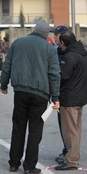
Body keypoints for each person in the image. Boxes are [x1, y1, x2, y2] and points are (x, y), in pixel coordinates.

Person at [0, 20, 60, 174]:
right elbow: (54, 74)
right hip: (40, 94)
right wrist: (56, 97)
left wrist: (4, 84)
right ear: (47, 34)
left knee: (18, 127)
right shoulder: (50, 49)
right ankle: (29, 166)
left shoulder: (18, 42)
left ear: (34, 29)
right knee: (35, 130)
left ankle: (14, 163)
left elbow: (8, 64)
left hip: (20, 92)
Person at [55, 31, 87, 170]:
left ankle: (71, 160)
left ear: (63, 43)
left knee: (69, 130)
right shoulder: (82, 54)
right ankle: (74, 156)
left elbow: (63, 76)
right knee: (76, 129)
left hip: (69, 98)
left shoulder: (69, 56)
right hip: (80, 97)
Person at [50, 25, 69, 164]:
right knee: (62, 124)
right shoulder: (55, 51)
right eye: (54, 35)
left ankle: (69, 151)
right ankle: (66, 149)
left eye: (57, 35)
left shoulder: (70, 53)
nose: (55, 37)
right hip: (57, 94)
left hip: (67, 94)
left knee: (68, 125)